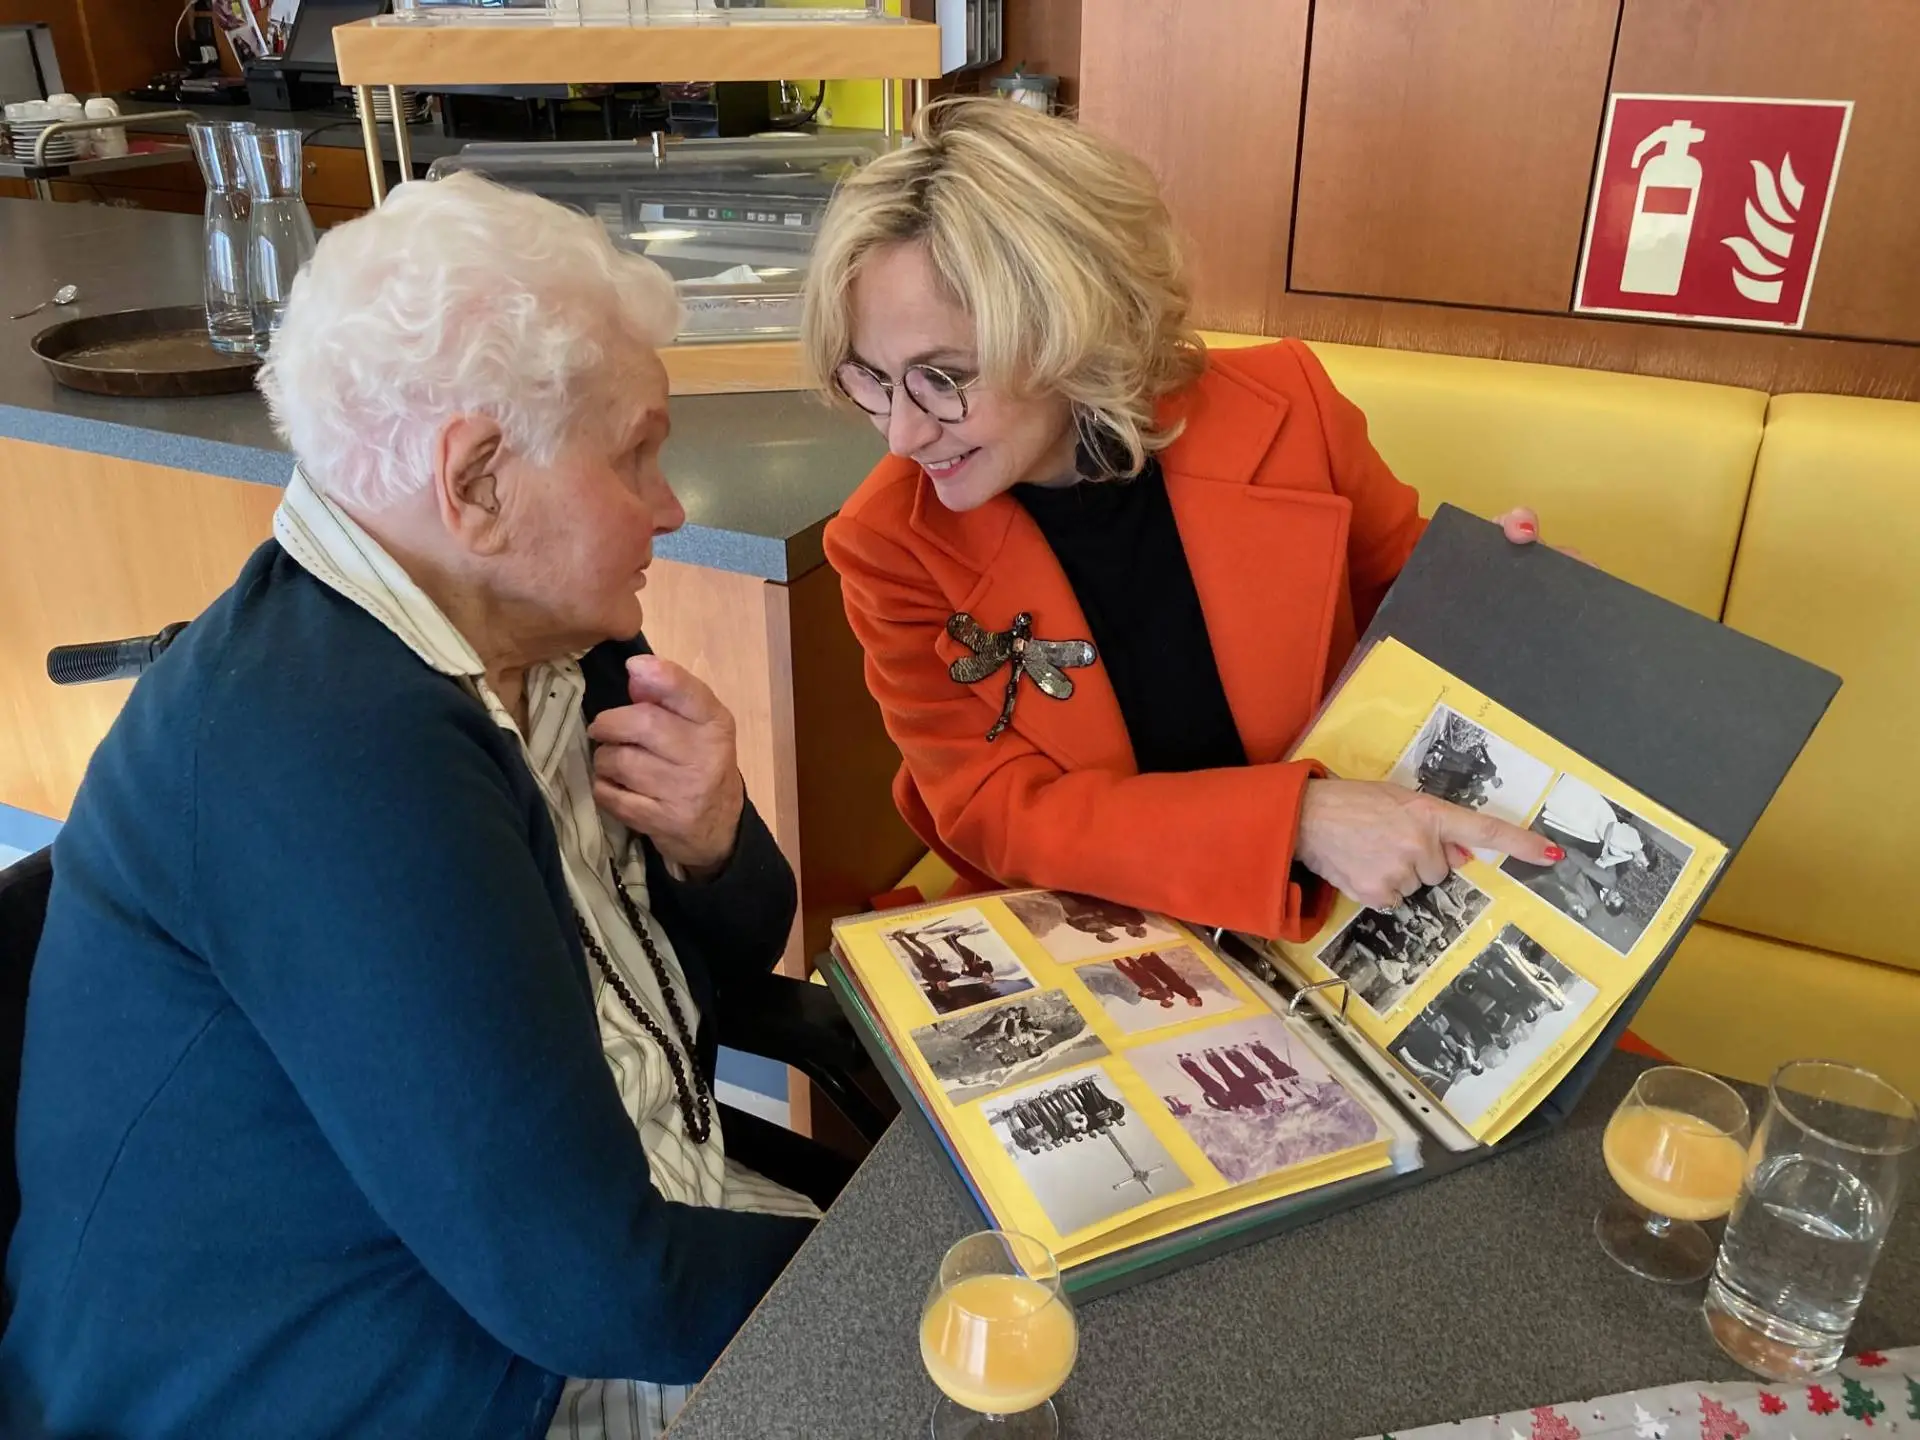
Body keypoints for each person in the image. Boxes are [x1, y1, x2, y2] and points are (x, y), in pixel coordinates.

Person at [0, 175, 839, 1440]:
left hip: (616, 1237)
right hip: (403, 1375)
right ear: (480, 480)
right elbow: (593, 1290)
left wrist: (715, 840)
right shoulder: (326, 755)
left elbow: (723, 955)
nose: (671, 505)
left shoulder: (546, 636)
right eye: (638, 452)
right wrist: (934, 1288)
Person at [809, 97, 1560, 939]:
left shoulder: (1289, 409)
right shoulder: (886, 542)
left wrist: (1499, 595)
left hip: (1349, 913)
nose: (902, 434)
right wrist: (1295, 822)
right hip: (1091, 927)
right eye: (868, 377)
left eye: (945, 378)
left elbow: (1411, 622)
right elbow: (995, 813)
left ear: (1072, 326)